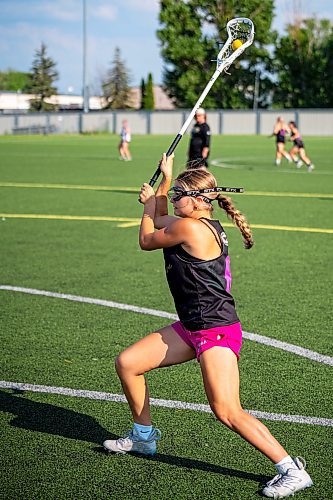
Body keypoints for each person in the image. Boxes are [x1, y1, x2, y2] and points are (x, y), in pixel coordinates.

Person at [103, 153, 313, 498]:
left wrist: (145, 206)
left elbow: (147, 235)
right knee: (128, 363)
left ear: (199, 200)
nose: (172, 201)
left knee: (227, 409)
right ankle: (143, 438)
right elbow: (161, 216)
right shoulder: (199, 222)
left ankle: (291, 469)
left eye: (178, 196)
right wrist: (166, 179)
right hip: (193, 325)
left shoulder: (188, 227)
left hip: (214, 329)